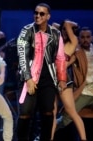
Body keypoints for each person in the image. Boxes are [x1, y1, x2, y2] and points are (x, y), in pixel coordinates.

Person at [16, 3, 67, 141]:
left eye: (42, 14)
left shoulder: (56, 33)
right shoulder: (26, 31)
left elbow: (61, 57)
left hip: (48, 78)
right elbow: (22, 56)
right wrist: (28, 78)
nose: (38, 16)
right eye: (36, 13)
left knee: (47, 112)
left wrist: (62, 79)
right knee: (25, 113)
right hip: (29, 78)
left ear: (48, 16)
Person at [50, 20, 87, 140]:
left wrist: (71, 25)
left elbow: (65, 23)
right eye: (64, 30)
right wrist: (62, 28)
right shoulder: (57, 42)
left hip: (63, 79)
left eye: (68, 30)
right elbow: (54, 25)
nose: (65, 32)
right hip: (51, 78)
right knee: (52, 113)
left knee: (71, 111)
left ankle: (83, 139)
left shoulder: (73, 43)